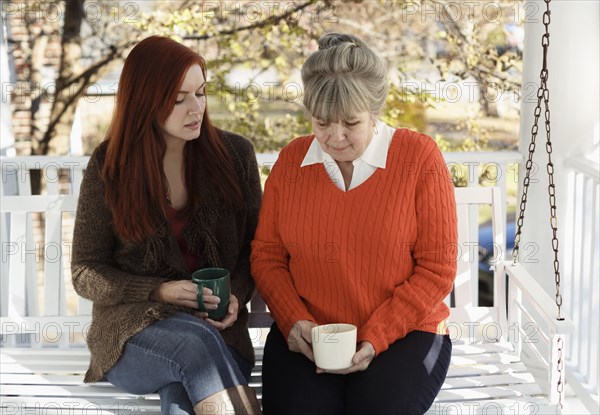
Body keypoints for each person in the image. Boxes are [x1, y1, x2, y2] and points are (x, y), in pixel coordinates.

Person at [251, 33, 458, 415]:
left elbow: (437, 269)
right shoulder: (291, 161)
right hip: (310, 333)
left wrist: (375, 338)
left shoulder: (419, 158)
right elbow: (267, 257)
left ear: (374, 110)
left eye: (351, 122)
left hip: (406, 332)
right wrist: (294, 322)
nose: (335, 137)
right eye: (322, 122)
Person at [71, 36, 262, 415]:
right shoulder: (110, 166)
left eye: (201, 92)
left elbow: (253, 249)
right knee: (194, 347)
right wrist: (158, 291)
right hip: (133, 337)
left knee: (181, 396)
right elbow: (84, 271)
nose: (196, 108)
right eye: (179, 99)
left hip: (221, 337)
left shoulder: (236, 155)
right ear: (145, 101)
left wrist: (235, 297)